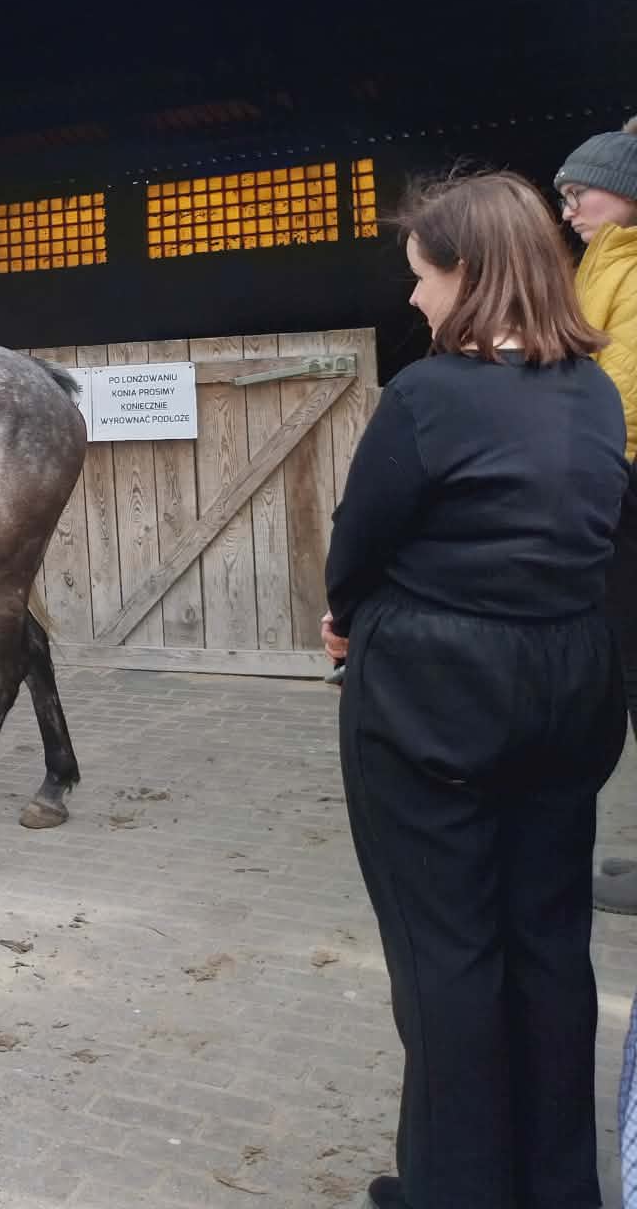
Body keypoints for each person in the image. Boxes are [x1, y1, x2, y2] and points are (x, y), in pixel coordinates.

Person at [321, 171, 627, 1209]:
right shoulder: (596, 393)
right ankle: (554, 1190)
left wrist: (344, 619)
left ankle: (452, 1190)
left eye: (420, 278)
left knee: (444, 953)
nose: (412, 301)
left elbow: (356, 549)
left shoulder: (425, 397)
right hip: (570, 682)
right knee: (546, 946)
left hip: (431, 694)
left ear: (470, 276)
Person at [556, 117, 637, 917]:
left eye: (581, 192)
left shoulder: (633, 267)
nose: (571, 208)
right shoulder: (604, 263)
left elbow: (619, 396)